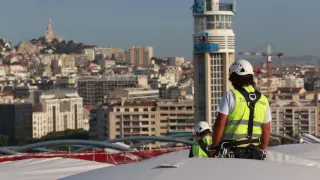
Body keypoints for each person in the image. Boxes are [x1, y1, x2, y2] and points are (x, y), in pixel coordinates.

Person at [211, 59, 271, 160]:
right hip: (255, 153)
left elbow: (220, 124)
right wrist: (262, 150)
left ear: (234, 78)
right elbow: (266, 129)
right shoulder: (263, 99)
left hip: (233, 152)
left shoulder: (231, 96)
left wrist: (214, 147)